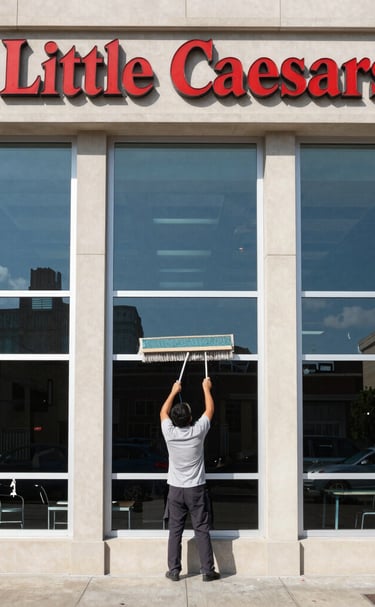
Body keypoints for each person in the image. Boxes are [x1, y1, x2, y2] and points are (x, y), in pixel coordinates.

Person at [160, 376, 220, 582]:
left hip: (175, 490)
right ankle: (207, 571)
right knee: (201, 529)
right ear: (190, 417)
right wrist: (206, 388)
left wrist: (173, 390)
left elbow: (162, 412)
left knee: (174, 531)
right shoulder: (197, 432)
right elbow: (210, 410)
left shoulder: (169, 433)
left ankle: (174, 571)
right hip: (196, 489)